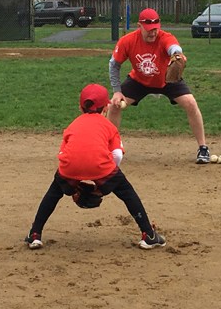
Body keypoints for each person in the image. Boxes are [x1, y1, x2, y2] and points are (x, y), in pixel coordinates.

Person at [24, 84, 166, 250]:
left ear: (80, 107)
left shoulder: (72, 125)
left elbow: (66, 154)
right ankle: (148, 235)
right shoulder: (109, 126)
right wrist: (108, 182)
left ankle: (35, 234)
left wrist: (72, 185)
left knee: (54, 191)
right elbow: (117, 155)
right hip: (102, 166)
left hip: (69, 166)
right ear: (106, 107)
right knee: (127, 192)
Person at [107, 8, 211, 164]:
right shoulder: (128, 41)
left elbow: (174, 47)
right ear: (139, 26)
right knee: (114, 106)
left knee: (191, 104)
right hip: (139, 81)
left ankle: (203, 148)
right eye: (149, 30)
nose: (153, 33)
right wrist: (117, 91)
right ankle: (110, 148)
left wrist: (176, 54)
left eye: (155, 29)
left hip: (166, 80)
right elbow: (114, 65)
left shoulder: (164, 38)